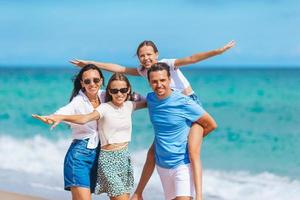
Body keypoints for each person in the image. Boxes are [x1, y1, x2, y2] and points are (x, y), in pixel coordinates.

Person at [70, 40, 233, 199]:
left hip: (189, 104)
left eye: (149, 54)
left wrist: (217, 52)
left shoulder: (166, 65)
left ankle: (199, 196)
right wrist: (91, 63)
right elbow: (119, 68)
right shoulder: (143, 71)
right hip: (164, 106)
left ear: (157, 54)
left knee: (192, 150)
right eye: (142, 55)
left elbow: (192, 59)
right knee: (153, 152)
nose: (146, 58)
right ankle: (139, 192)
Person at [33, 73, 147, 200]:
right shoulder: (104, 108)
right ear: (109, 91)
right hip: (109, 160)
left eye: (123, 90)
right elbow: (84, 118)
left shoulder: (130, 105)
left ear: (128, 90)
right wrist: (59, 117)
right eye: (115, 90)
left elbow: (150, 101)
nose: (119, 94)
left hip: (125, 158)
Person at [32, 64, 105, 200]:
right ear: (82, 83)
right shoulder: (78, 101)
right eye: (87, 81)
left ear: (101, 80)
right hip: (79, 157)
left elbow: (124, 96)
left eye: (95, 80)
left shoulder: (105, 96)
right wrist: (52, 118)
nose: (92, 84)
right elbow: (63, 111)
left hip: (98, 156)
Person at [147, 62, 217, 200]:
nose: (159, 84)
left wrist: (192, 142)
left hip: (182, 164)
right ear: (149, 82)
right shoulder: (151, 99)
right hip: (162, 166)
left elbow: (211, 124)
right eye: (154, 81)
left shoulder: (183, 102)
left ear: (170, 80)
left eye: (162, 80)